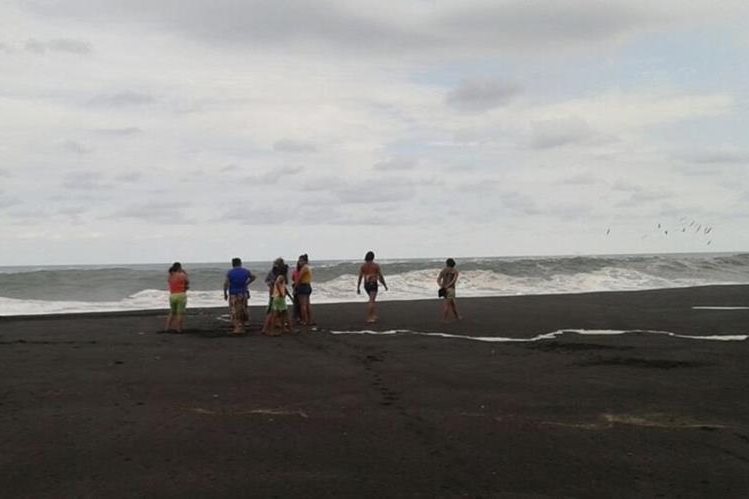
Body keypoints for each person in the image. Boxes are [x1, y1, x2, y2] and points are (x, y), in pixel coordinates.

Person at [223, 257, 256, 335]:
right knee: (243, 309)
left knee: (235, 310)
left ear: (232, 264)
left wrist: (225, 293)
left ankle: (237, 327)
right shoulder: (245, 271)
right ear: (240, 263)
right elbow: (253, 277)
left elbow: (226, 283)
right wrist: (247, 283)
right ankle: (243, 326)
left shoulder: (230, 272)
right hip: (243, 292)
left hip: (234, 293)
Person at [357, 251, 387, 323]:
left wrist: (358, 287)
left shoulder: (363, 266)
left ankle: (373, 315)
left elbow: (360, 277)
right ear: (373, 257)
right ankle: (370, 318)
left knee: (371, 300)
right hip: (373, 284)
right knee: (371, 301)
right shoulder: (376, 266)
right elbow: (380, 276)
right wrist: (385, 285)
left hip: (366, 285)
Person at [262, 258, 289, 334]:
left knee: (278, 310)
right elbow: (270, 281)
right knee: (274, 311)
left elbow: (283, 283)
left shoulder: (277, 272)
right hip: (276, 293)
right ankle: (267, 329)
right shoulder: (276, 272)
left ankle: (277, 326)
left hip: (276, 292)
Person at [165, 262, 189, 333]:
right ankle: (178, 329)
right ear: (179, 267)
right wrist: (185, 273)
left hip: (172, 295)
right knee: (180, 313)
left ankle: (167, 328)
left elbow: (170, 282)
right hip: (181, 295)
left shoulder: (170, 276)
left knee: (172, 312)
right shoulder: (182, 275)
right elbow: (187, 282)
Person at [437, 258, 461, 322]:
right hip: (451, 289)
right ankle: (444, 319)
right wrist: (448, 286)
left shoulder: (443, 270)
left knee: (452, 303)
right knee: (447, 304)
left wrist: (441, 285)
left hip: (444, 289)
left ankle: (457, 316)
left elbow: (438, 279)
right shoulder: (455, 271)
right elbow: (453, 281)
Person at [294, 254, 314, 327]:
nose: (299, 262)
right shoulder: (308, 267)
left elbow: (299, 278)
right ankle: (310, 320)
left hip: (302, 286)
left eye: (300, 261)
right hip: (308, 285)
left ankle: (305, 320)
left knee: (303, 305)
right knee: (308, 304)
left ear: (304, 261)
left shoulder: (304, 268)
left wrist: (296, 287)